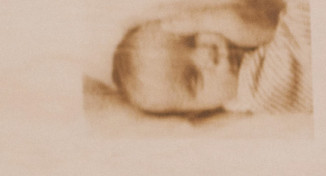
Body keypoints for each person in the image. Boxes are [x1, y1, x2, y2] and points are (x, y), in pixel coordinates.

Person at [110, 0, 311, 116]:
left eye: (191, 39)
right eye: (194, 78)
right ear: (199, 112)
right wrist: (222, 20)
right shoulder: (257, 90)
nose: (207, 54)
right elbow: (305, 35)